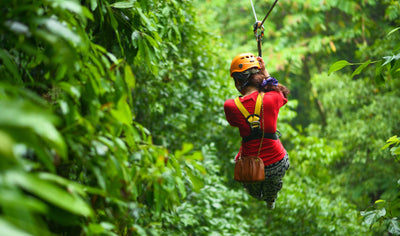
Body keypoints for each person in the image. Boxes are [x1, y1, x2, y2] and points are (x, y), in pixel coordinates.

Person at [223, 52, 290, 210]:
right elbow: (280, 92)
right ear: (258, 77)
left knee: (252, 187)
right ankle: (271, 195)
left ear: (238, 82)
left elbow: (233, 123)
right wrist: (265, 73)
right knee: (274, 179)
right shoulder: (272, 98)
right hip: (277, 162)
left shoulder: (230, 106)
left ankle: (262, 195)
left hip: (249, 166)